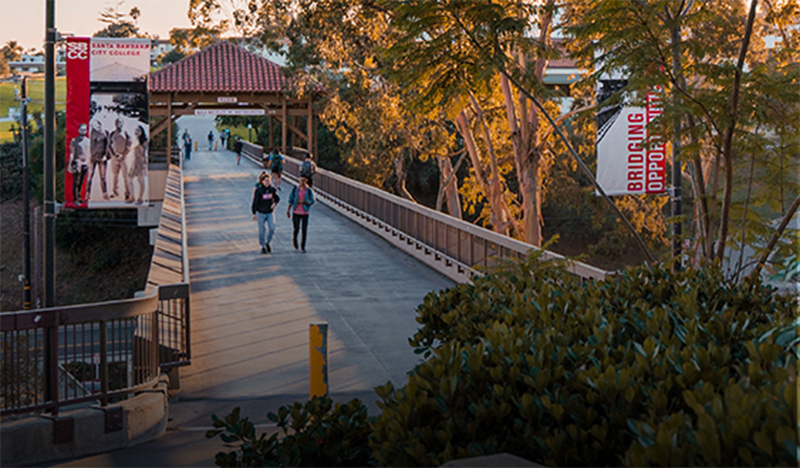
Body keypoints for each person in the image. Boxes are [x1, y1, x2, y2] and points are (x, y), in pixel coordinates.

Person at [251, 171, 280, 254]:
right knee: (261, 230)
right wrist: (254, 213)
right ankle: (263, 245)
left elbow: (277, 198)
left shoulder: (272, 189)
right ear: (262, 181)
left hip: (270, 212)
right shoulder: (259, 190)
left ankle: (268, 242)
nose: (267, 181)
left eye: (268, 180)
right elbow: (255, 202)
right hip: (261, 212)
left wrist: (274, 204)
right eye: (266, 180)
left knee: (272, 228)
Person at [286, 176, 315, 253]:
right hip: (296, 211)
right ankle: (295, 239)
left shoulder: (308, 190)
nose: (302, 182)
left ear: (306, 181)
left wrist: (307, 202)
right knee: (296, 228)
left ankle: (303, 246)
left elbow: (312, 200)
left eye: (303, 180)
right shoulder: (295, 189)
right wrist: (288, 210)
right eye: (301, 180)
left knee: (304, 229)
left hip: (305, 212)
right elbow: (291, 199)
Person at [108, 118, 132, 202]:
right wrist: (114, 156)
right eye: (117, 122)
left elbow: (129, 146)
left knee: (126, 176)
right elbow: (109, 146)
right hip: (115, 158)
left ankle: (128, 193)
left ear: (123, 123)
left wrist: (123, 155)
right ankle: (115, 191)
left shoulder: (126, 134)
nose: (119, 124)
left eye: (120, 122)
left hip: (124, 158)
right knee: (115, 175)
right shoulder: (112, 134)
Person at [67, 123, 90, 205]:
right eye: (81, 129)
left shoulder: (88, 141)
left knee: (81, 181)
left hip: (86, 163)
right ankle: (75, 198)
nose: (83, 131)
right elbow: (72, 153)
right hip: (78, 162)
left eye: (84, 129)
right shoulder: (74, 140)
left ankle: (79, 197)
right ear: (78, 130)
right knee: (76, 181)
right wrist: (69, 164)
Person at [87, 119, 109, 201]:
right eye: (95, 126)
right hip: (93, 157)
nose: (97, 127)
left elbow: (108, 145)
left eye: (98, 125)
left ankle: (105, 193)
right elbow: (89, 145)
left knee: (103, 177)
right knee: (90, 176)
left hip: (102, 157)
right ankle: (87, 193)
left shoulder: (105, 132)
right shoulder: (91, 134)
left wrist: (106, 155)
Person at [128, 125, 148, 205]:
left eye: (138, 130)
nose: (137, 132)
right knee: (129, 179)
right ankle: (132, 196)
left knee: (141, 180)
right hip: (134, 162)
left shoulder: (144, 142)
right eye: (136, 130)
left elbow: (145, 153)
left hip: (141, 162)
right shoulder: (134, 140)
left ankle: (140, 197)